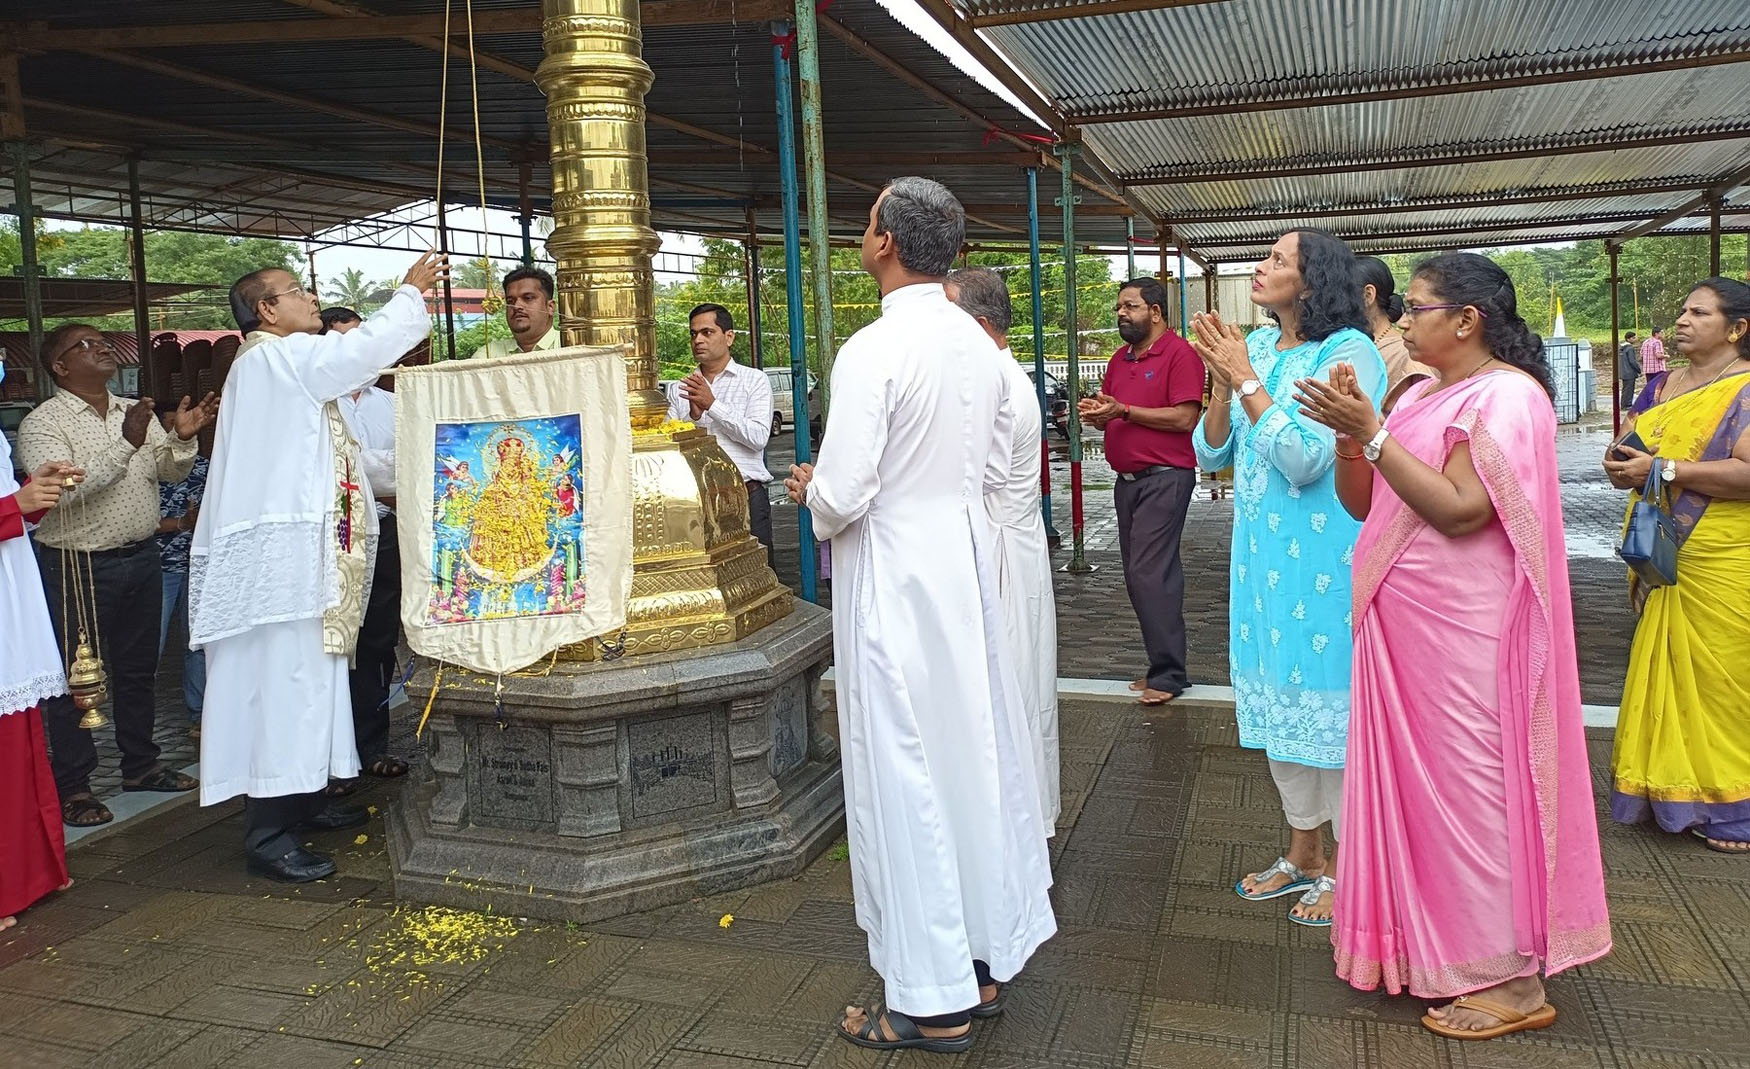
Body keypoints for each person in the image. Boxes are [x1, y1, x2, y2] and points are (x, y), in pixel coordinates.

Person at [1298, 251, 1611, 1040]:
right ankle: (1427, 950)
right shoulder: (1423, 393)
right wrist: (1353, 435)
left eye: (1421, 307)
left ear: (1467, 319)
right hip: (1403, 633)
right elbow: (1362, 500)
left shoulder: (1507, 396)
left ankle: (1511, 978)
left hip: (1463, 635)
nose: (1405, 319)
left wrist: (1373, 434)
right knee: (1416, 802)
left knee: (1473, 800)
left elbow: (1466, 512)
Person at [783, 177, 1054, 1053]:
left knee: (905, 770)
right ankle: (981, 957)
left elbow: (851, 490)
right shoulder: (980, 349)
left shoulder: (875, 347)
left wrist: (814, 493)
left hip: (898, 574)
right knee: (970, 756)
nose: (861, 237)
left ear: (885, 244)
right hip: (962, 561)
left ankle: (932, 1001)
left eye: (865, 225)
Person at [193, 252, 445, 883]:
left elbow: (349, 465)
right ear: (266, 310)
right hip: (282, 571)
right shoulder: (274, 359)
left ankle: (302, 800)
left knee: (313, 684)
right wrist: (409, 295)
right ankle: (268, 832)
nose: (311, 298)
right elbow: (356, 353)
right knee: (285, 687)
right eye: (296, 291)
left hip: (309, 564)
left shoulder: (290, 372)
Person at [1188, 230, 1386, 928]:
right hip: (1262, 568)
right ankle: (1304, 853)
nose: (1259, 268)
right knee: (1279, 708)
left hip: (1326, 567)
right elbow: (1210, 451)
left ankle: (1350, 866)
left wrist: (1243, 377)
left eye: (1276, 260)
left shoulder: (1348, 354)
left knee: (1331, 717)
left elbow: (1307, 459)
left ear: (1313, 279)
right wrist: (1223, 382)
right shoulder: (1263, 348)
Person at [18, 324, 216, 828]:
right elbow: (62, 493)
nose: (102, 346)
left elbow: (166, 472)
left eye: (103, 340)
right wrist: (126, 445)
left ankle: (141, 765)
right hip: (77, 563)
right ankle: (77, 786)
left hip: (142, 554)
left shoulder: (134, 411)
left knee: (137, 668)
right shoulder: (43, 423)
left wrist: (181, 439)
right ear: (60, 366)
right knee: (76, 677)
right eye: (85, 345)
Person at [1607, 278, 1750, 854]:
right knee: (1664, 670)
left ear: (1738, 329)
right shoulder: (1663, 384)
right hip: (1663, 548)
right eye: (1682, 309)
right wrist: (1621, 463)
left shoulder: (1744, 390)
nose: (1684, 321)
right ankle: (1670, 791)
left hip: (1721, 552)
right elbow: (1630, 444)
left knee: (1722, 680)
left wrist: (1664, 470)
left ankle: (1734, 808)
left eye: (1700, 313)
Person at [946, 265, 1060, 832]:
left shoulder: (994, 383)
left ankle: (1010, 826)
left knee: (1005, 693)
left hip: (997, 554)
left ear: (983, 324)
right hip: (1005, 546)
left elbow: (968, 481)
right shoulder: (1000, 375)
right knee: (1015, 688)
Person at [1076, 277, 1203, 706]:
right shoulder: (1118, 359)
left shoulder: (1180, 355)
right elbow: (1118, 413)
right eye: (1118, 307)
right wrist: (1101, 416)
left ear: (1155, 310)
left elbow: (1185, 418)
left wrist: (1124, 410)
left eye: (1129, 306)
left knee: (1152, 573)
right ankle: (1160, 667)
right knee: (1137, 576)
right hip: (1127, 481)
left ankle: (1169, 676)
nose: (1120, 314)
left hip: (1166, 477)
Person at [0, 392, 80, 930]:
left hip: (10, 593)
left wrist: (34, 494)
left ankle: (30, 875)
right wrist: (13, 508)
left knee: (22, 741)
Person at [325, 307, 410, 789]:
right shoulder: (321, 402)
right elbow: (342, 474)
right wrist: (371, 475)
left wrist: (365, 474)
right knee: (336, 642)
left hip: (386, 532)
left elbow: (404, 467)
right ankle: (332, 753)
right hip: (335, 539)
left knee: (378, 641)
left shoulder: (393, 403)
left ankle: (372, 743)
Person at [664, 303, 777, 564]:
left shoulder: (754, 380)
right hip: (696, 504)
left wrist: (712, 405)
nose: (698, 340)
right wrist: (692, 417)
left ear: (729, 337)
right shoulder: (678, 388)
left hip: (746, 496)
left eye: (707, 332)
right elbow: (671, 452)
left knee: (755, 575)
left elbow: (758, 437)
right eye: (693, 334)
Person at [156, 418, 208, 740]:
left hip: (199, 566)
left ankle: (201, 714)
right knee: (151, 646)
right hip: (158, 568)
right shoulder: (148, 469)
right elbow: (132, 520)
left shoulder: (209, 469)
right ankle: (139, 721)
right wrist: (180, 523)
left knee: (197, 643)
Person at [1356, 256, 1430, 412]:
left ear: (1368, 295)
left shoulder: (1408, 354)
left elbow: (1414, 423)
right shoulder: (1338, 346)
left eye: (1340, 295)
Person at [470, 267, 559, 358]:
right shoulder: (488, 355)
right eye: (510, 301)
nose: (516, 306)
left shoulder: (568, 344)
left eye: (528, 298)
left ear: (550, 307)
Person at [1618, 330, 1641, 411]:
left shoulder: (1621, 348)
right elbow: (1632, 361)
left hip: (1623, 372)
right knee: (1629, 389)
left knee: (1625, 389)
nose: (1635, 339)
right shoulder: (1630, 348)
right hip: (1630, 372)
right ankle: (1627, 404)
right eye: (1633, 337)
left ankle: (1623, 404)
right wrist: (1638, 370)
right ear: (1629, 339)